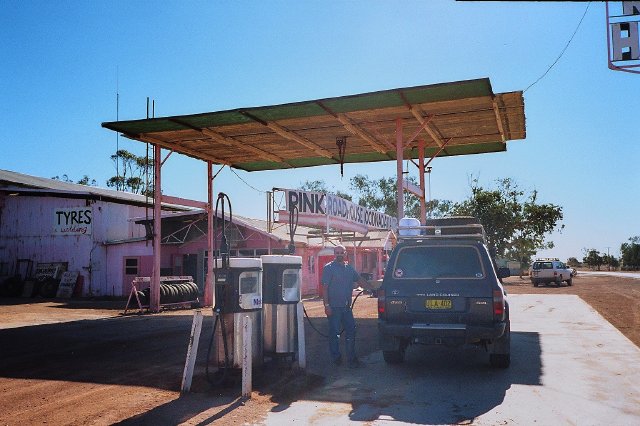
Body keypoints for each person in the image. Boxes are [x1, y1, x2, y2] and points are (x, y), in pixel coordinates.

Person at [321, 244, 367, 368]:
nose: (339, 255)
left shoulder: (349, 269)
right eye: (337, 252)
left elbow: (360, 280)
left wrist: (374, 289)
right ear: (334, 254)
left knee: (351, 331)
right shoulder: (328, 268)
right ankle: (336, 358)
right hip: (334, 307)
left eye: (342, 252)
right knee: (334, 333)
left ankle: (351, 358)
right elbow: (324, 288)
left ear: (345, 253)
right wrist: (326, 305)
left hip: (346, 308)